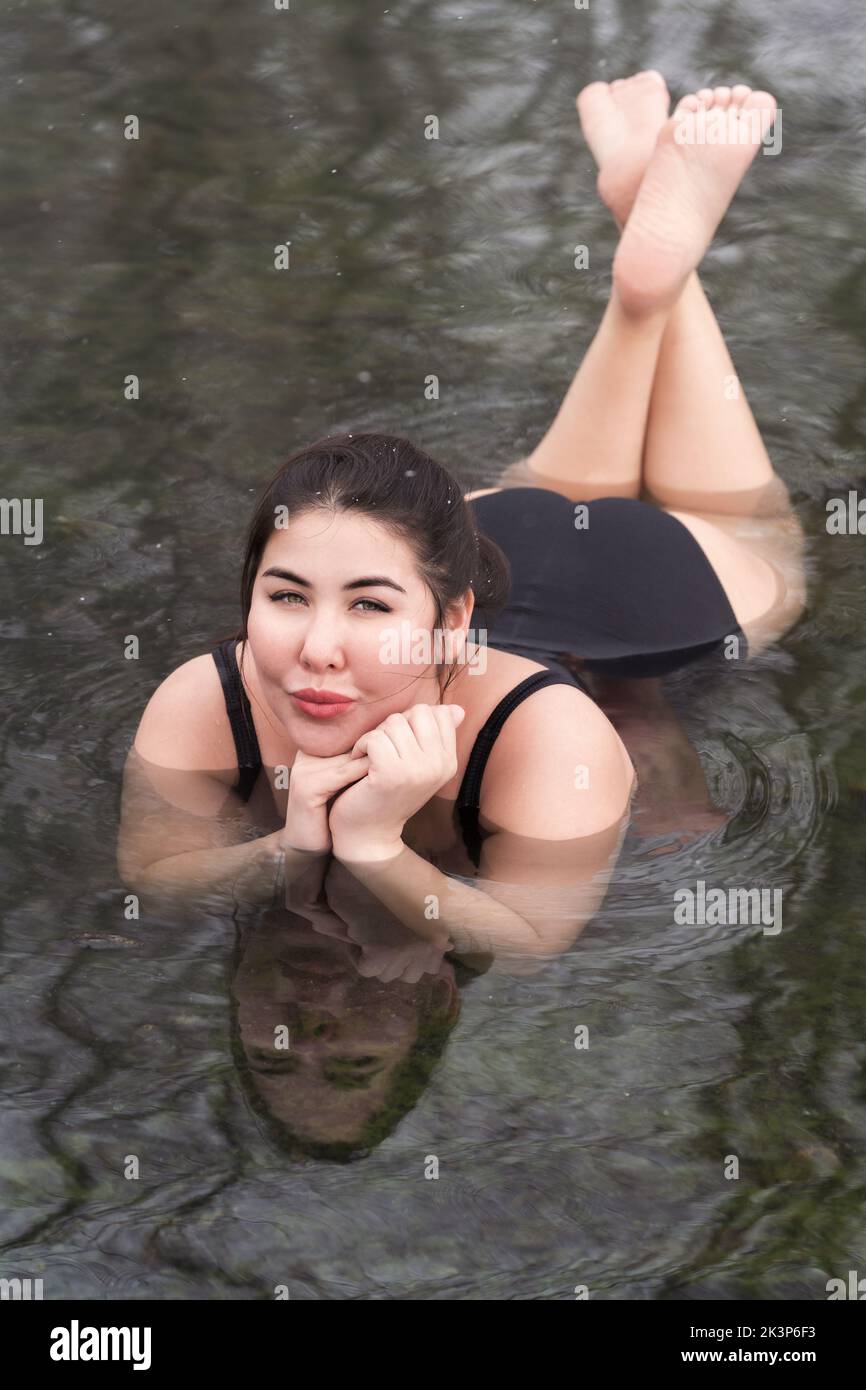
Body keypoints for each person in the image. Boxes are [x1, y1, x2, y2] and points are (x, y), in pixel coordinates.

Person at [118, 74, 805, 966]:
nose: (317, 646)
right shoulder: (211, 692)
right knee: (609, 488)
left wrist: (371, 846)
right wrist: (304, 836)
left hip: (650, 597)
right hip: (525, 545)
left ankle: (649, 267)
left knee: (735, 519)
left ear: (454, 614)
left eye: (365, 604)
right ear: (249, 593)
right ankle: (649, 277)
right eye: (287, 596)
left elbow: (527, 944)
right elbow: (156, 879)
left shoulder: (550, 734)